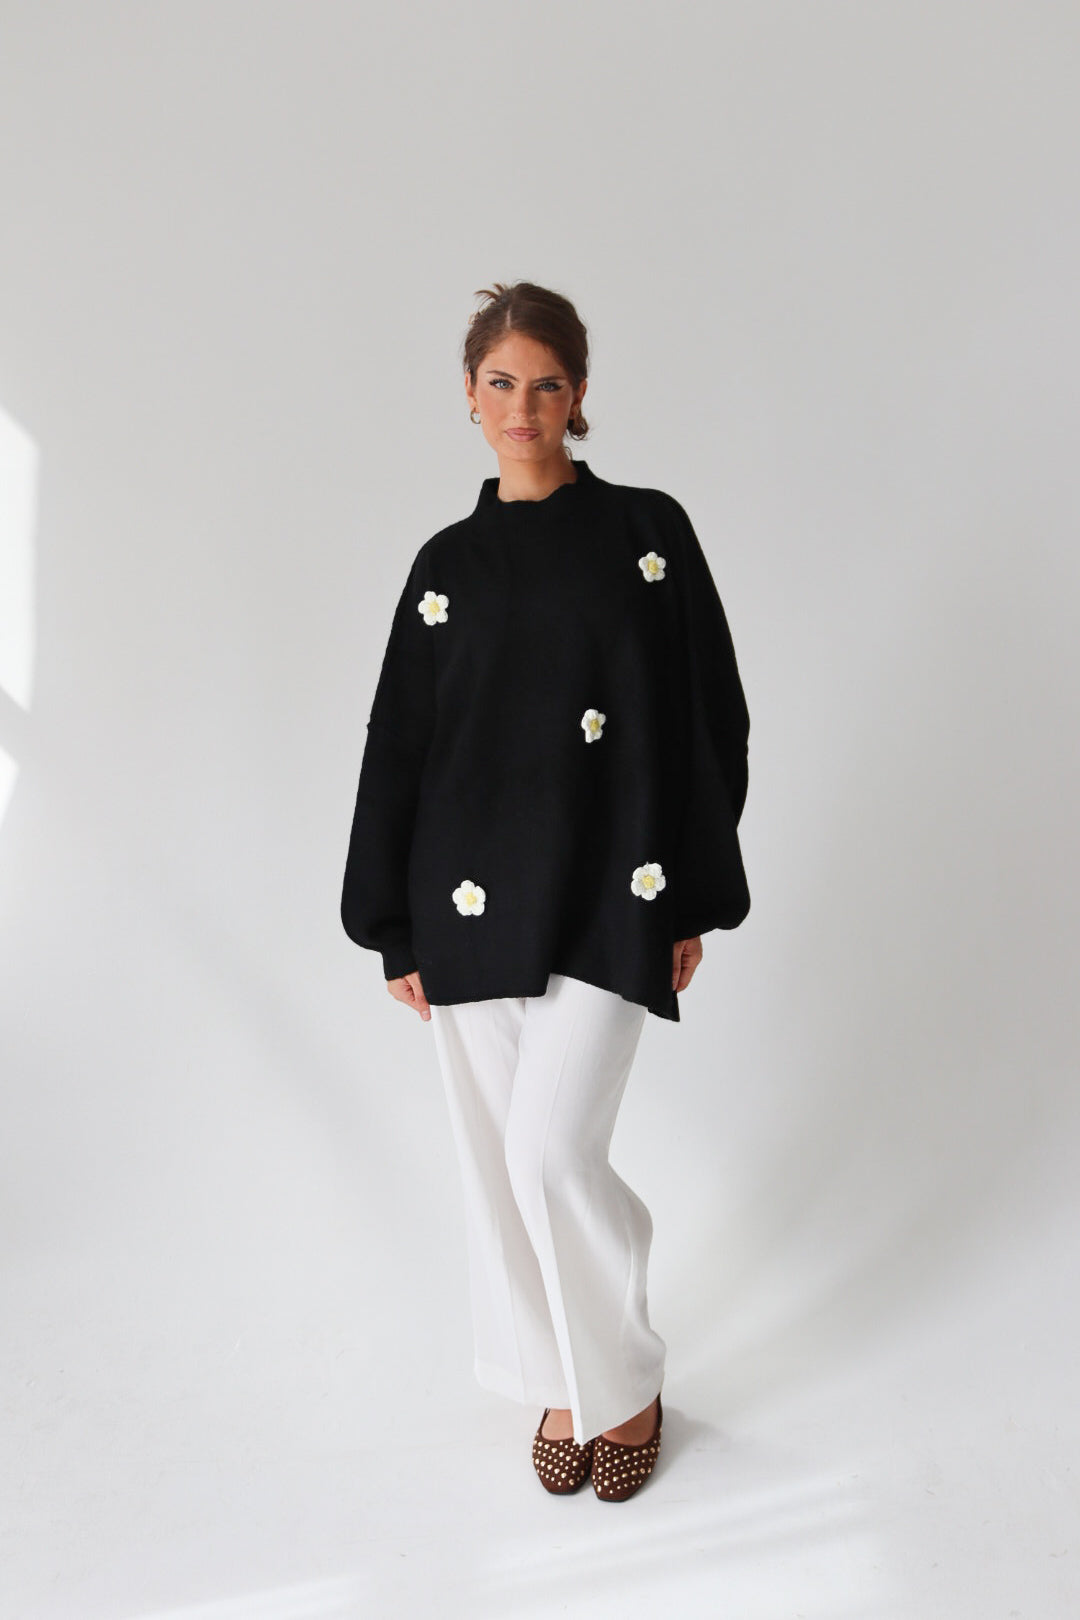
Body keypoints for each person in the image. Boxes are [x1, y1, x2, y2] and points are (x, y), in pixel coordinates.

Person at [341, 281, 750, 1501]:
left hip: (615, 888)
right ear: (469, 395)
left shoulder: (647, 534)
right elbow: (399, 743)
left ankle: (624, 1379)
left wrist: (689, 894)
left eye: (547, 383)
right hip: (465, 901)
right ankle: (560, 1380)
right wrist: (391, 926)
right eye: (501, 383)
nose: (523, 406)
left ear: (580, 395)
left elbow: (708, 713)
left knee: (550, 1154)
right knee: (499, 1167)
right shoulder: (446, 566)